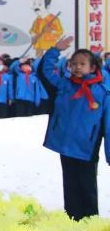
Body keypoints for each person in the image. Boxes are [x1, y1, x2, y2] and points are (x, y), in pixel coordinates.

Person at [38, 37, 108, 219]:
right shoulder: (64, 85)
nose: (77, 67)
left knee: (87, 187)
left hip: (86, 148)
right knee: (70, 185)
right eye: (74, 64)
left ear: (92, 68)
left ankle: (91, 224)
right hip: (66, 146)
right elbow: (44, 71)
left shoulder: (103, 92)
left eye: (82, 64)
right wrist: (55, 50)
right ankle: (72, 219)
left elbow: (108, 126)